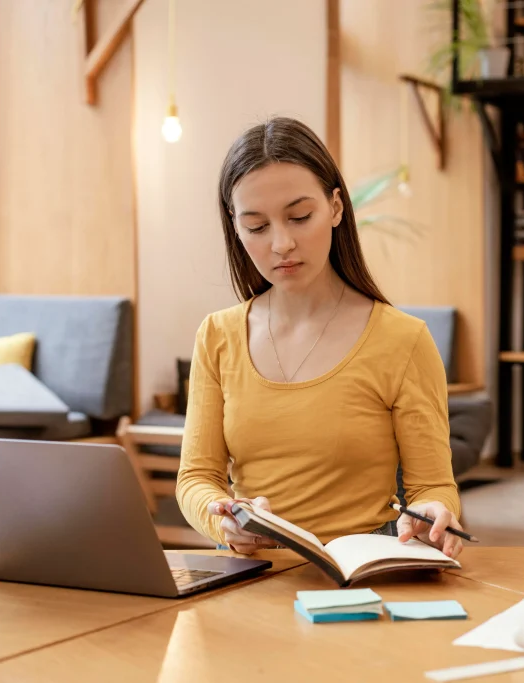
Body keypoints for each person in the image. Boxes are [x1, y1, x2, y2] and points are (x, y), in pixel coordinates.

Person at [175, 117, 464, 559]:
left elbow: (433, 486)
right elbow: (196, 477)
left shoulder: (403, 340)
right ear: (234, 225)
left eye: (300, 216)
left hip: (363, 568)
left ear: (335, 207)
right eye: (256, 226)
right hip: (249, 575)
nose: (282, 243)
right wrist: (225, 518)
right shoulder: (218, 335)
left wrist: (432, 512)